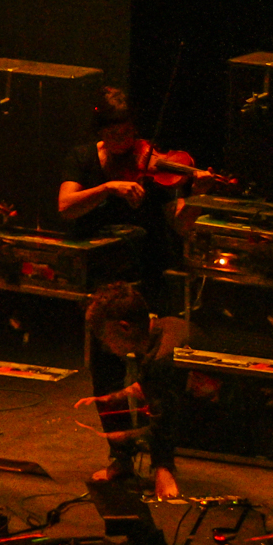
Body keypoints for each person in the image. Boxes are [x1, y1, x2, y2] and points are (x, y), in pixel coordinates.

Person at [58, 88, 223, 310]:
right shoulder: (82, 157)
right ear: (100, 132)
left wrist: (197, 195)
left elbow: (181, 225)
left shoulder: (151, 164)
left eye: (127, 132)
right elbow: (65, 207)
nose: (122, 140)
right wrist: (107, 188)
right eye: (113, 133)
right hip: (95, 269)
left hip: (144, 272)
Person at [83, 282, 186, 499]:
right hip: (164, 382)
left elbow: (164, 412)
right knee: (106, 369)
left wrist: (163, 467)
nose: (105, 343)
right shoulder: (147, 339)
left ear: (124, 327)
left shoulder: (162, 357)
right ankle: (122, 459)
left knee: (157, 392)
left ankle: (163, 467)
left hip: (202, 405)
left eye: (105, 336)